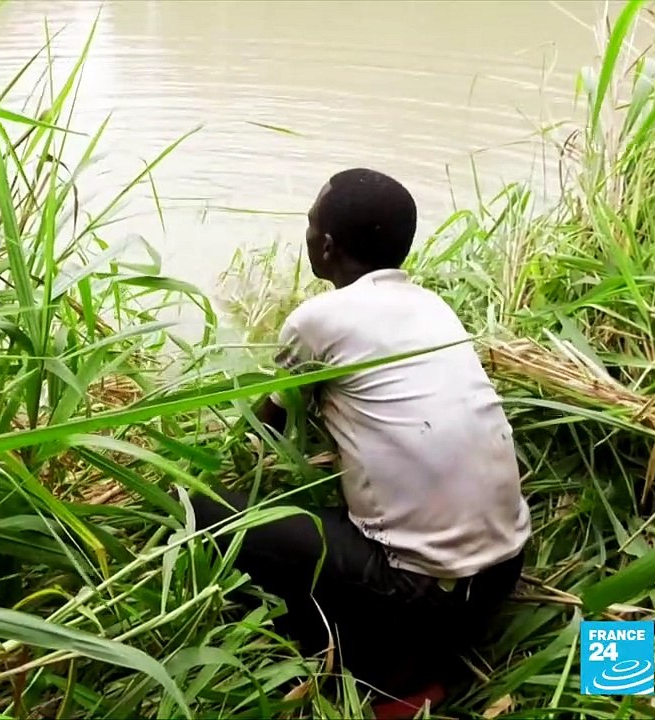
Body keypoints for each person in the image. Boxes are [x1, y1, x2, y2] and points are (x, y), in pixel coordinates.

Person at [189, 168, 531, 718]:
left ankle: (381, 675)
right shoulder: (433, 307)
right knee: (331, 525)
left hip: (419, 592)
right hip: (503, 569)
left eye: (308, 224)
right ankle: (413, 654)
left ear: (324, 245)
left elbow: (266, 428)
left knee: (202, 508)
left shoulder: (316, 319)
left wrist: (221, 461)